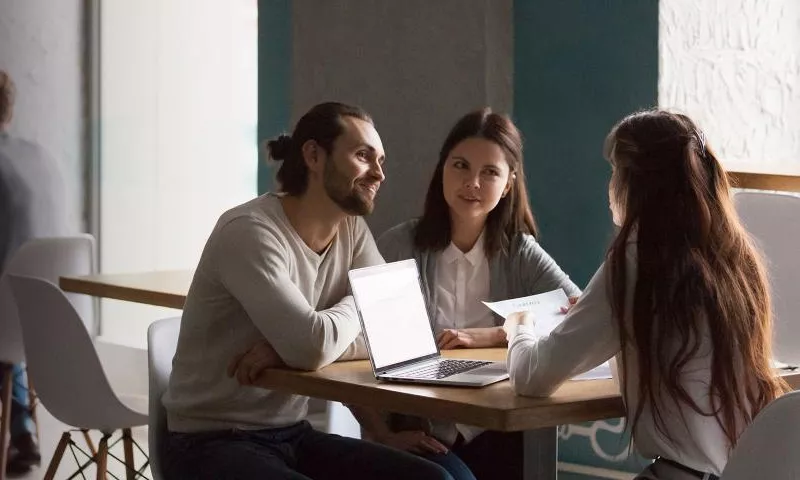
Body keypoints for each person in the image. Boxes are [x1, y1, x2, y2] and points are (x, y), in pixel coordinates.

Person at [161, 102, 454, 480]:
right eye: (363, 155)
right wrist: (316, 335)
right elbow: (313, 345)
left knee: (437, 478)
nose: (379, 173)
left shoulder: (351, 231)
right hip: (209, 441)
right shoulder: (249, 232)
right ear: (314, 155)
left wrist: (287, 349)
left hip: (292, 434)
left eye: (380, 160)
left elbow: (399, 325)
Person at [506, 109, 790, 479]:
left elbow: (533, 377)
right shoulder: (735, 257)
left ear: (635, 182)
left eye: (613, 172)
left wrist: (519, 325)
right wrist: (601, 314)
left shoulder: (639, 257)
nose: (609, 186)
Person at [351, 108, 580, 480]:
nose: (472, 182)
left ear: (508, 184)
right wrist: (382, 434)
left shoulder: (519, 251)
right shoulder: (398, 245)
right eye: (460, 165)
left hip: (500, 423)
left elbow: (576, 314)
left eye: (490, 172)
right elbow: (354, 346)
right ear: (442, 169)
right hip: (420, 429)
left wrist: (491, 335)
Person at [1, 69, 71, 475]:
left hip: (9, 324)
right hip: (54, 322)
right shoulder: (43, 157)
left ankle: (21, 428)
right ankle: (22, 428)